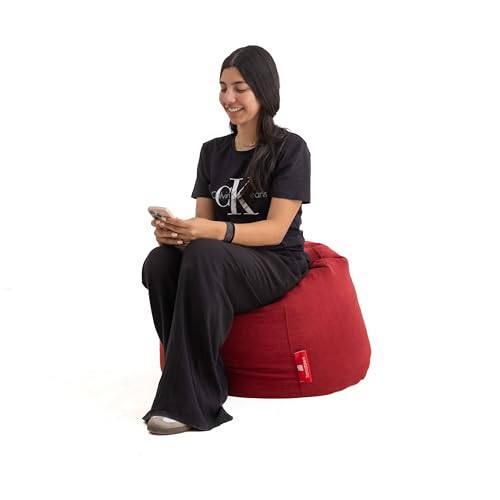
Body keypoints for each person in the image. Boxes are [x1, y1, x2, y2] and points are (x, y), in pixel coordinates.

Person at [141, 45, 311, 435]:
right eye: (222, 87)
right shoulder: (211, 152)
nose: (228, 98)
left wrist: (210, 233)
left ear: (264, 91)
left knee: (206, 252)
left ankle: (188, 403)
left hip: (275, 262)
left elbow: (275, 230)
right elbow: (204, 226)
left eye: (240, 88)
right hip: (221, 260)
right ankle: (197, 375)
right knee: (160, 262)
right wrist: (177, 234)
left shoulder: (291, 149)